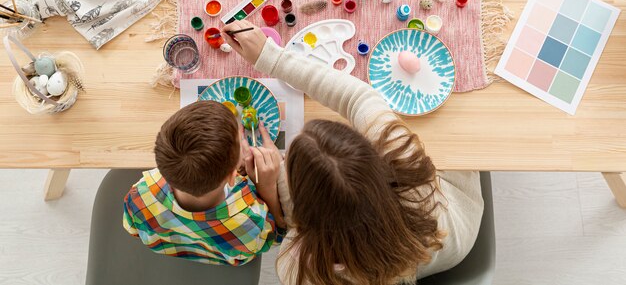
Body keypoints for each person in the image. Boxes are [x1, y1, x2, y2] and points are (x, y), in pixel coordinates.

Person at [223, 20, 484, 285]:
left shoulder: (300, 270)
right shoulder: (405, 166)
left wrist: (270, 185)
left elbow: (290, 223)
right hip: (445, 241)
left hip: (438, 237)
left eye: (286, 162)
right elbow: (359, 98)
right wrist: (271, 58)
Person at [122, 100, 286, 266]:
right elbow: (277, 237)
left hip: (166, 247)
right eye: (239, 142)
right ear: (233, 176)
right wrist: (267, 188)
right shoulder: (250, 224)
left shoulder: (138, 195)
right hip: (230, 252)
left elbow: (133, 230)